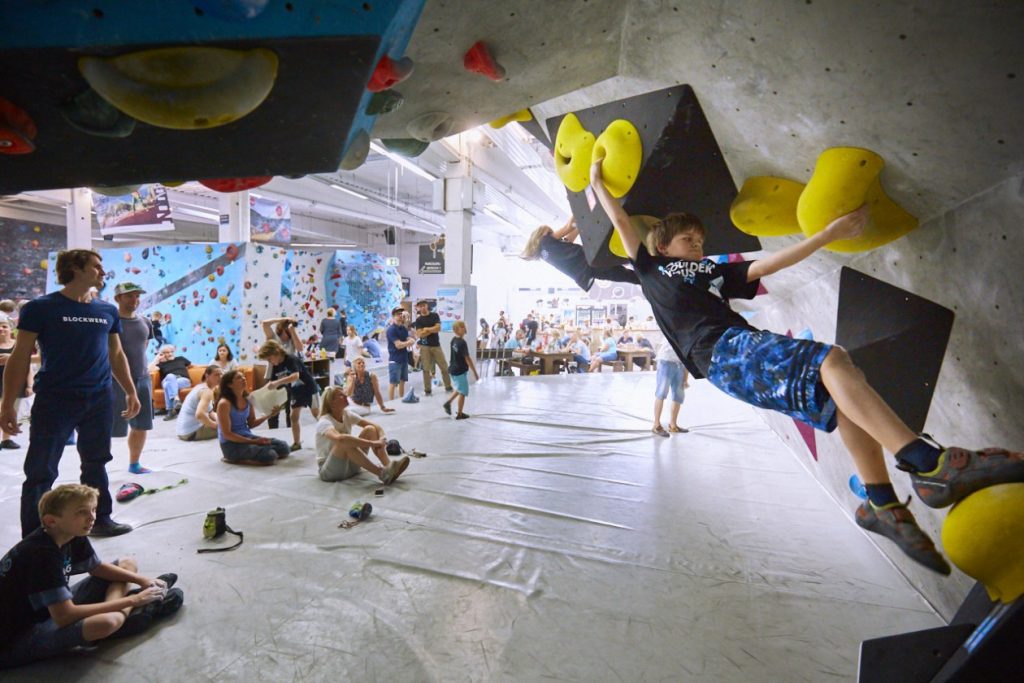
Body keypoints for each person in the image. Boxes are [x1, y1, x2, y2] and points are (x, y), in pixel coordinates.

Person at [589, 156, 1024, 575]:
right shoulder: (650, 268)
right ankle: (927, 463)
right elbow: (623, 221)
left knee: (844, 389)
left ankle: (881, 503)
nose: (698, 245)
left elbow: (764, 265)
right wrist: (595, 178)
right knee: (832, 359)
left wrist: (825, 237)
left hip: (738, 349)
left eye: (700, 240)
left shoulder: (706, 270)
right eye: (688, 240)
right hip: (723, 351)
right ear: (663, 245)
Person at [0, 249, 139, 538]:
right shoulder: (40, 308)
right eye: (96, 267)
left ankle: (100, 518)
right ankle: (35, 537)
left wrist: (130, 391)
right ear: (75, 269)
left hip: (99, 399)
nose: (102, 272)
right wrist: (7, 404)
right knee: (40, 470)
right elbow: (20, 355)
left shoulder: (106, 311)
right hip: (55, 399)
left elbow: (116, 354)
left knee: (96, 462)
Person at [0, 484, 183, 670]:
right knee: (107, 622)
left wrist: (142, 581)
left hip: (45, 610)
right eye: (81, 512)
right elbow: (64, 616)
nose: (92, 517)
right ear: (51, 521)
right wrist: (134, 600)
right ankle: (130, 614)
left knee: (127, 564)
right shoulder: (41, 554)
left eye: (93, 509)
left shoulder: (70, 532)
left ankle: (123, 614)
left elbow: (96, 568)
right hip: (14, 640)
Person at [315, 385, 409, 484]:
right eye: (341, 395)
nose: (346, 396)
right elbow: (340, 439)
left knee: (370, 429)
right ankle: (383, 474)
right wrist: (373, 443)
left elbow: (375, 426)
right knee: (344, 441)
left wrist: (382, 438)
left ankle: (389, 467)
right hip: (330, 472)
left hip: (349, 467)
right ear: (332, 403)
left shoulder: (346, 414)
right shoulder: (324, 421)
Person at [521, 216, 640, 290]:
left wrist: (580, 223)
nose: (552, 233)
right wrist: (578, 209)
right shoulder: (545, 240)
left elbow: (570, 236)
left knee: (628, 276)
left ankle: (651, 280)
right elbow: (568, 227)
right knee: (625, 257)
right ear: (541, 234)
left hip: (588, 271)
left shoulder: (546, 254)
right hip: (590, 261)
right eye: (549, 232)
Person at [111, 282, 156, 474]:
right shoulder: (110, 322)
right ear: (118, 298)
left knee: (141, 425)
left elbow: (142, 347)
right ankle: (97, 467)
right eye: (130, 296)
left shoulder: (145, 322)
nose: (135, 300)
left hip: (142, 379)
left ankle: (134, 464)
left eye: (137, 296)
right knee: (108, 426)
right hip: (114, 381)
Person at [215, 369, 288, 465]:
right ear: (230, 385)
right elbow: (227, 434)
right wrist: (254, 442)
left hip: (246, 437)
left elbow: (251, 423)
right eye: (238, 378)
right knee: (270, 456)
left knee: (284, 447)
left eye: (243, 376)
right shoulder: (224, 403)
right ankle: (231, 458)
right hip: (230, 444)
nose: (243, 379)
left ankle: (254, 452)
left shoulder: (248, 399)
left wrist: (269, 415)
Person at [257, 340, 319, 452]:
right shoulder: (275, 366)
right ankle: (297, 443)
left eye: (269, 359)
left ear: (276, 352)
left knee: (317, 415)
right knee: (293, 417)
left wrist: (278, 382)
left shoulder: (291, 359)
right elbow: (273, 383)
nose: (269, 362)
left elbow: (295, 376)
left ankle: (331, 438)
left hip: (309, 389)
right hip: (296, 392)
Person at [0, 317, 34, 449]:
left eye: (4, 326)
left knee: (13, 411)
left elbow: (28, 367)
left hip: (16, 384)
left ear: (10, 329)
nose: (1, 329)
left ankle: (6, 439)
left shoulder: (17, 345)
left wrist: (30, 385)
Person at [412, 300, 453, 397]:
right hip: (425, 346)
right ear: (418, 308)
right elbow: (420, 334)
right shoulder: (419, 320)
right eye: (420, 306)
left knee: (444, 367)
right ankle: (428, 390)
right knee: (426, 369)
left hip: (436, 346)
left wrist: (426, 329)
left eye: (424, 305)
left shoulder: (435, 316)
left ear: (427, 306)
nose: (422, 307)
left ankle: (448, 387)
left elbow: (438, 328)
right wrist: (431, 329)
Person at [442, 320, 479, 420]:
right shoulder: (462, 342)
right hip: (459, 370)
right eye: (461, 327)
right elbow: (467, 358)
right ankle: (459, 413)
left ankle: (448, 403)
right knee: (463, 391)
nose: (464, 329)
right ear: (456, 330)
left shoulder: (454, 340)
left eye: (463, 327)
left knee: (460, 388)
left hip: (453, 369)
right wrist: (475, 372)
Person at [652, 339, 689, 437]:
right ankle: (656, 425)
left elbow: (688, 356)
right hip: (666, 361)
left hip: (680, 364)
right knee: (661, 393)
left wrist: (685, 379)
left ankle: (673, 425)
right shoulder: (673, 327)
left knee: (679, 395)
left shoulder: (690, 334)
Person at [176, 365, 223, 441]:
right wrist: (215, 425)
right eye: (216, 375)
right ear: (207, 375)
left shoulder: (201, 386)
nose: (220, 377)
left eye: (221, 374)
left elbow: (210, 412)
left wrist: (219, 420)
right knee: (232, 427)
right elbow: (200, 415)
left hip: (182, 431)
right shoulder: (206, 391)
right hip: (191, 433)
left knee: (226, 421)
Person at [149, 344, 192, 419]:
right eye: (167, 352)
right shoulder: (161, 364)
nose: (170, 354)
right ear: (162, 354)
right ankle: (176, 399)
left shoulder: (181, 358)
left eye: (171, 351)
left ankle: (170, 411)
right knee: (170, 376)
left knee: (167, 385)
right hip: (168, 379)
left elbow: (193, 366)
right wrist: (157, 359)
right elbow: (148, 370)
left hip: (183, 380)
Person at [386, 307, 416, 400]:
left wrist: (409, 341)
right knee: (393, 382)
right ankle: (390, 402)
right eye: (398, 314)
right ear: (394, 316)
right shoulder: (391, 330)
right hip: (395, 360)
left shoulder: (403, 328)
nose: (401, 315)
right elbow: (398, 345)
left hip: (404, 358)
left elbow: (409, 339)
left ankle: (400, 400)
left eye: (402, 314)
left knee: (403, 381)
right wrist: (409, 342)